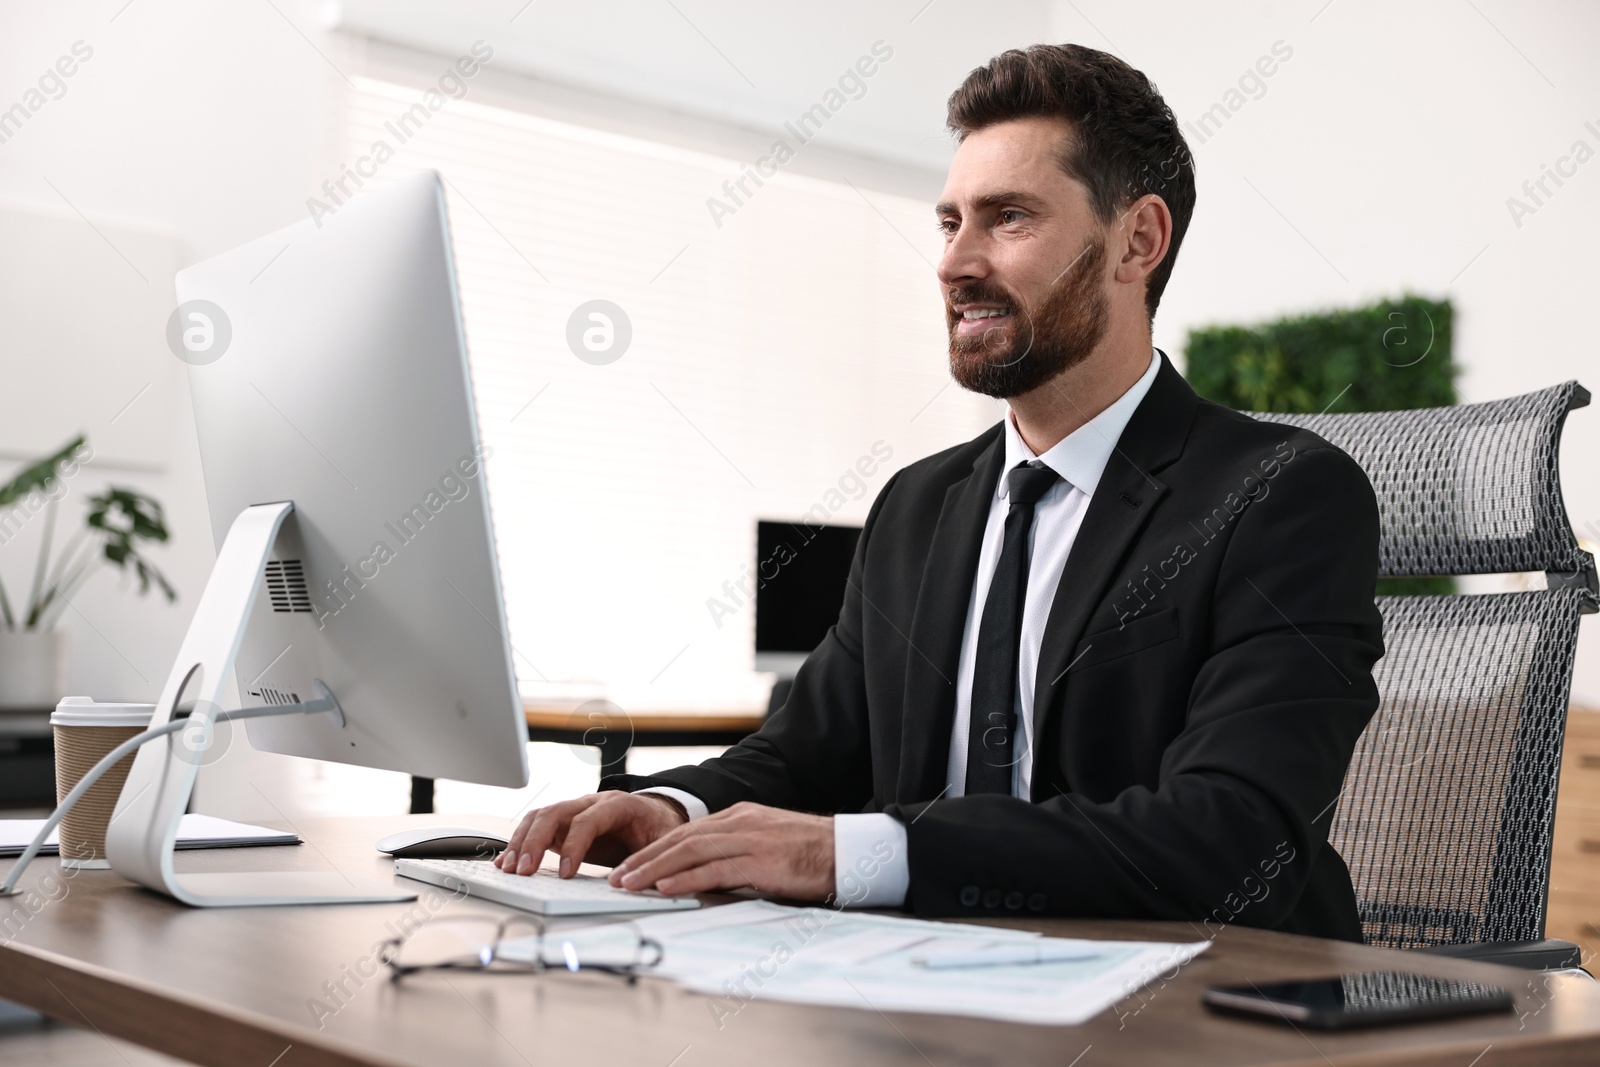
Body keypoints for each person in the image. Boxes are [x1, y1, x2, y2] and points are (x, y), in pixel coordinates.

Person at [496, 43, 1383, 941]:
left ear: (1136, 241)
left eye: (1007, 218)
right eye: (949, 222)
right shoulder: (917, 507)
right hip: (934, 981)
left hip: (1202, 1003)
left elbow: (1234, 841)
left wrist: (848, 855)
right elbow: (808, 753)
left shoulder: (1280, 497)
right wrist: (675, 807)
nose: (955, 262)